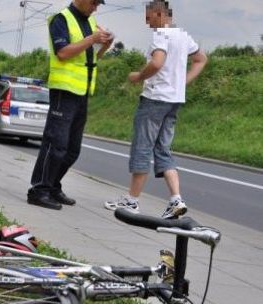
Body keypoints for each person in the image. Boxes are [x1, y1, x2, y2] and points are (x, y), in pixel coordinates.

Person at [104, 0, 207, 218]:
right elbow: (201, 59)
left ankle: (132, 201)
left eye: (148, 16)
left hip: (155, 99)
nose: (147, 21)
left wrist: (139, 76)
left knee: (142, 146)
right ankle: (175, 200)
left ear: (160, 14)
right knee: (163, 148)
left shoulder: (161, 34)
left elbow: (157, 62)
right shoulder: (183, 36)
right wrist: (182, 83)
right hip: (174, 100)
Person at [27, 0, 113, 210]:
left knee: (72, 149)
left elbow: (91, 56)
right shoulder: (61, 19)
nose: (96, 8)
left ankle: (53, 186)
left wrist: (105, 45)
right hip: (64, 91)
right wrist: (92, 38)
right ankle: (39, 190)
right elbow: (63, 52)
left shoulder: (90, 21)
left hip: (82, 91)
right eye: (94, 3)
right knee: (55, 144)